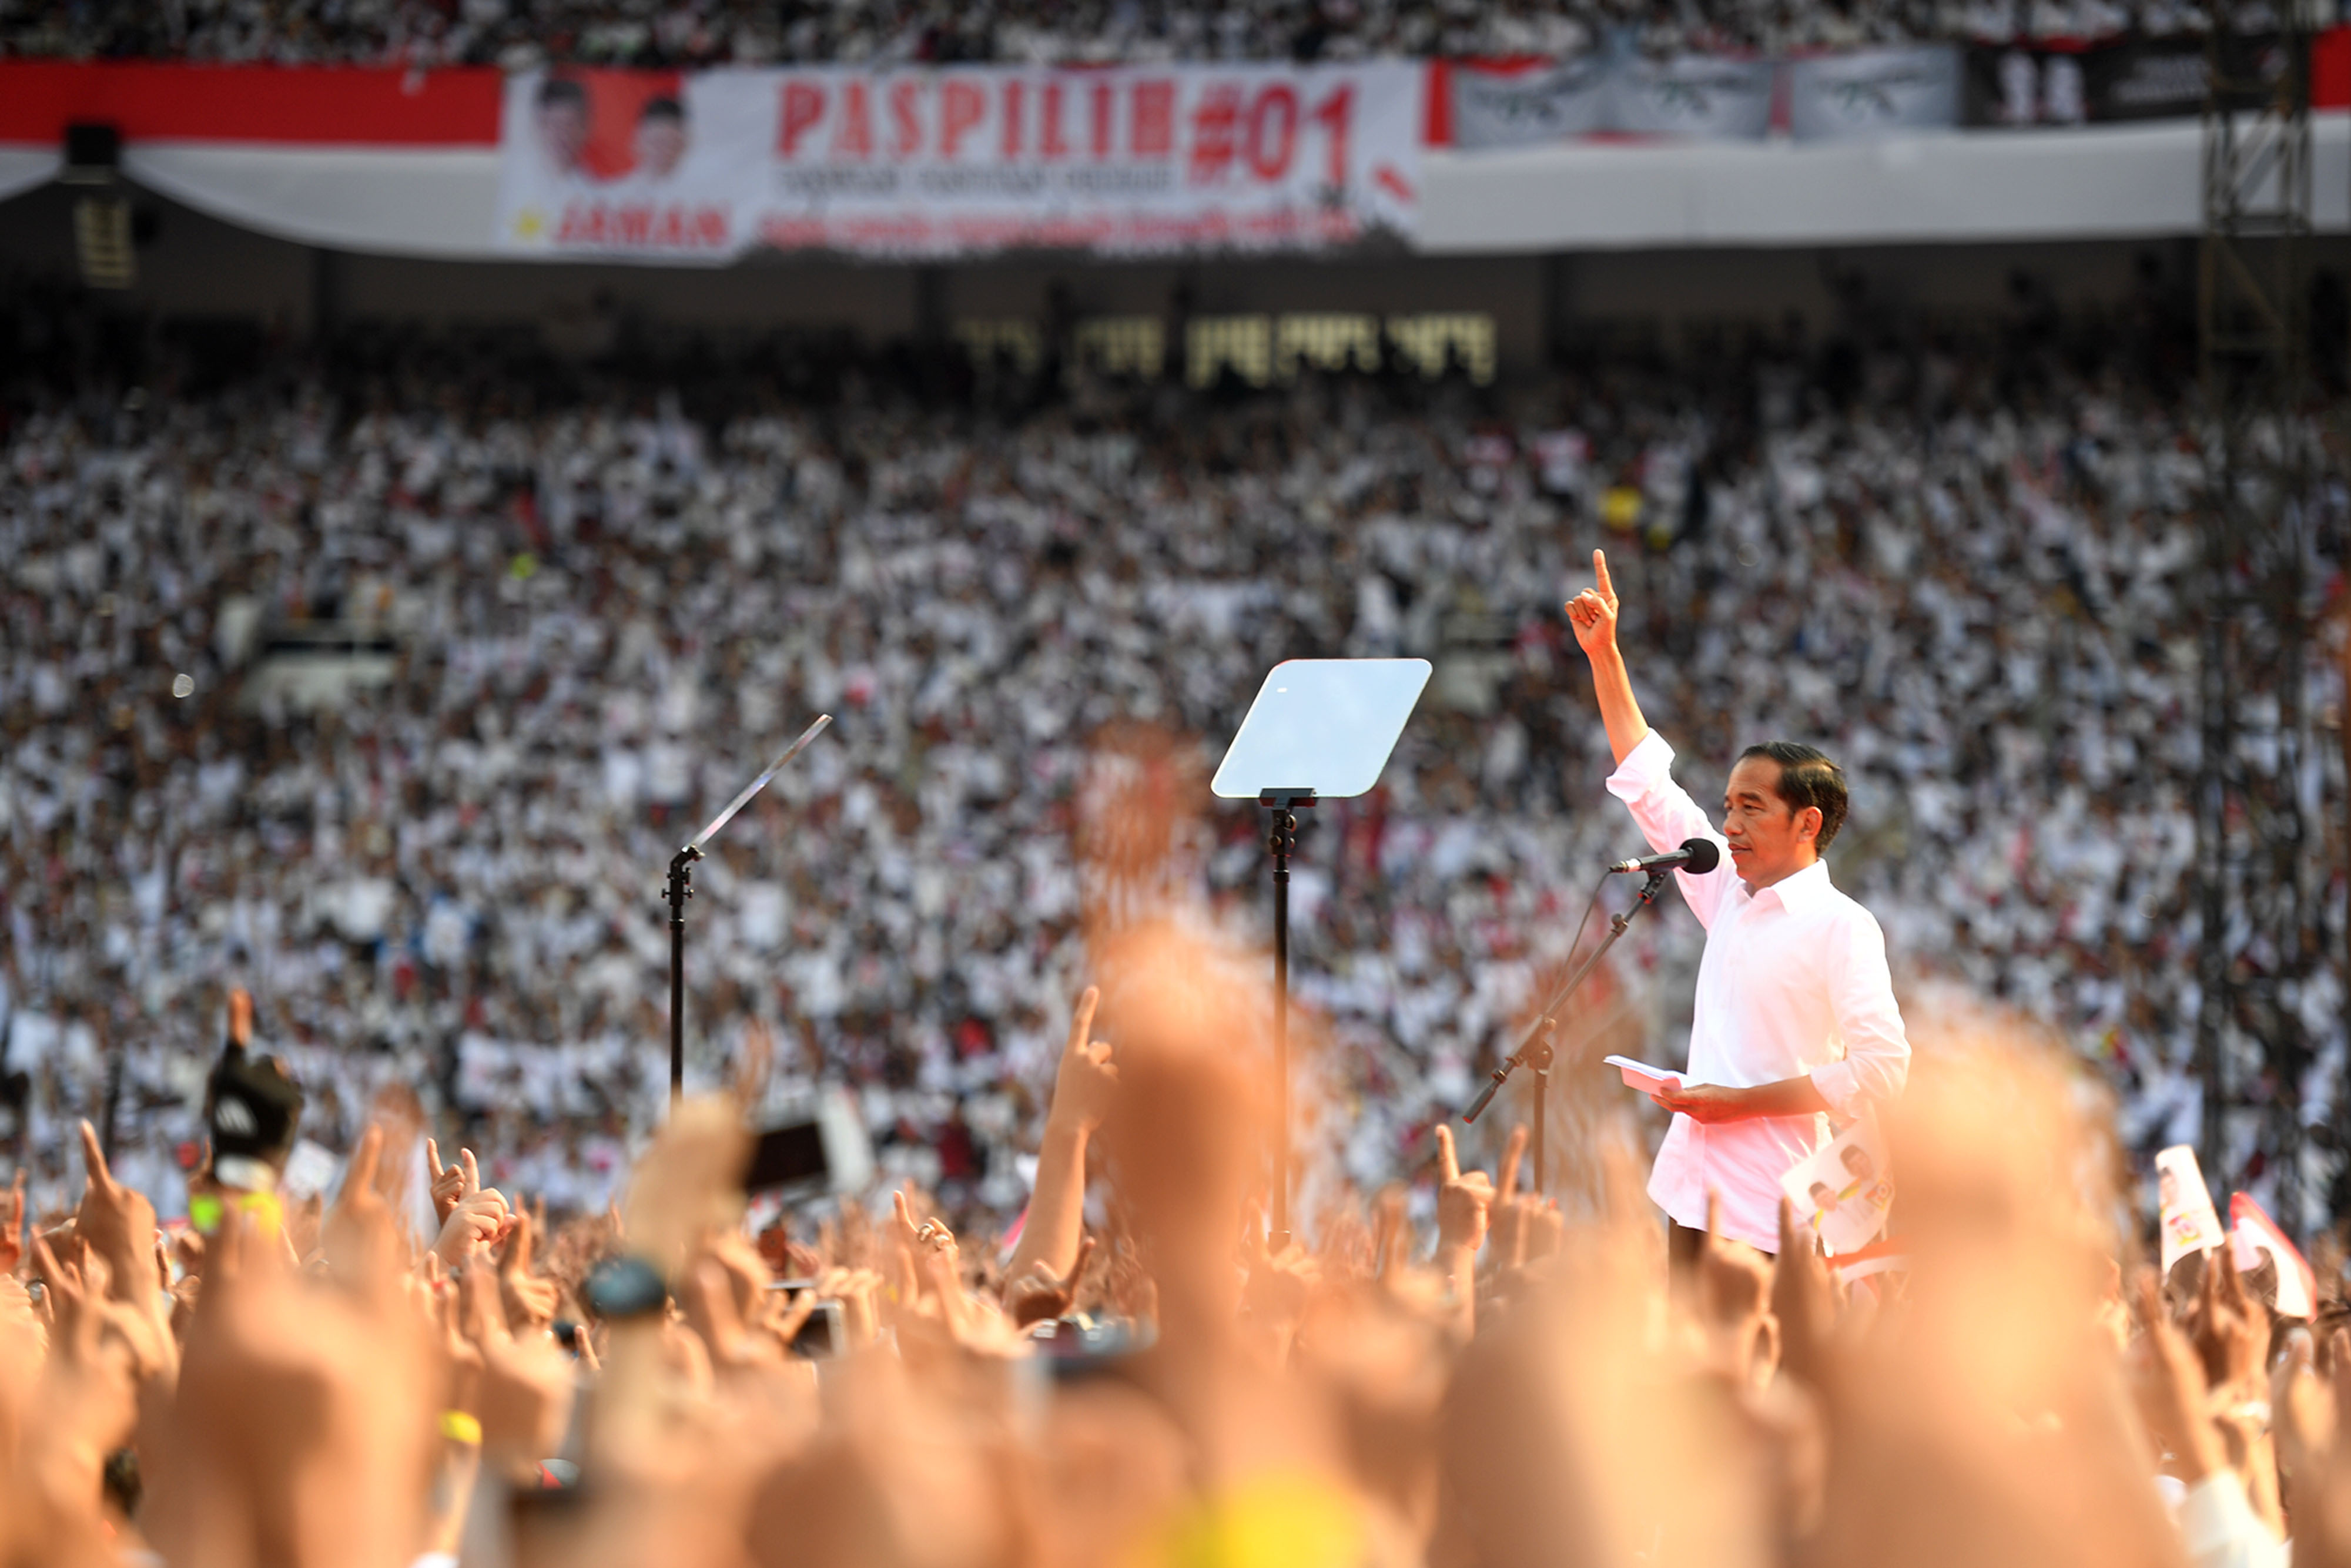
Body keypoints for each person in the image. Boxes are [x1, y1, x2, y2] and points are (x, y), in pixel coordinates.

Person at [1566, 547, 1910, 1265]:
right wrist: (1606, 659)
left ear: (1807, 823)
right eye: (1727, 807)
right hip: (1690, 1194)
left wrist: (1742, 1102)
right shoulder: (1725, 887)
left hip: (1774, 1211)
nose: (1728, 826)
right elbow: (1650, 786)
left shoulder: (1841, 927)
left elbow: (1883, 1067)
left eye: (1751, 808)